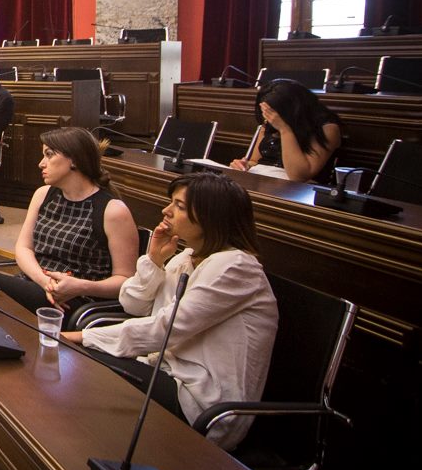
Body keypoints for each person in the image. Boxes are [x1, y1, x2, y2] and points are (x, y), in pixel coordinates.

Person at [61, 173, 278, 451]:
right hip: (164, 372)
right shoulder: (187, 257)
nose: (166, 211)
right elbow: (133, 305)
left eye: (179, 205)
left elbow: (165, 328)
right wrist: (154, 260)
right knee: (78, 367)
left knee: (80, 363)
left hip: (203, 402)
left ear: (211, 216)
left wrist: (83, 337)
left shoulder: (235, 266)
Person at [0, 127, 139, 326]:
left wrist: (81, 286)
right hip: (36, 284)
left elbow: (125, 281)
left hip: (74, 300)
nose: (41, 163)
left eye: (49, 155)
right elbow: (23, 248)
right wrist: (44, 281)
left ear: (74, 160)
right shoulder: (43, 194)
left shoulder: (113, 210)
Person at [229, 79, 342, 183]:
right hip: (263, 180)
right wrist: (245, 165)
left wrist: (285, 130)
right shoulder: (269, 122)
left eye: (273, 113)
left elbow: (299, 176)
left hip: (297, 189)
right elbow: (254, 161)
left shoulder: (327, 128)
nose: (269, 119)